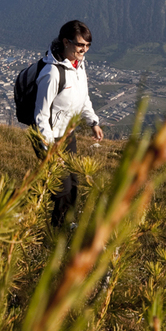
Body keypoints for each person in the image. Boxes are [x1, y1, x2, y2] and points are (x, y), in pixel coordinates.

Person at [33, 20, 104, 227]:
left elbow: (83, 98)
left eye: (88, 45)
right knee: (61, 186)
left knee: (73, 182)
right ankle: (55, 230)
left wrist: (93, 122)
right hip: (52, 138)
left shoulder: (78, 65)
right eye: (80, 45)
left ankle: (67, 224)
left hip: (68, 134)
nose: (84, 50)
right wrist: (49, 146)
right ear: (66, 42)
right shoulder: (52, 73)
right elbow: (41, 115)